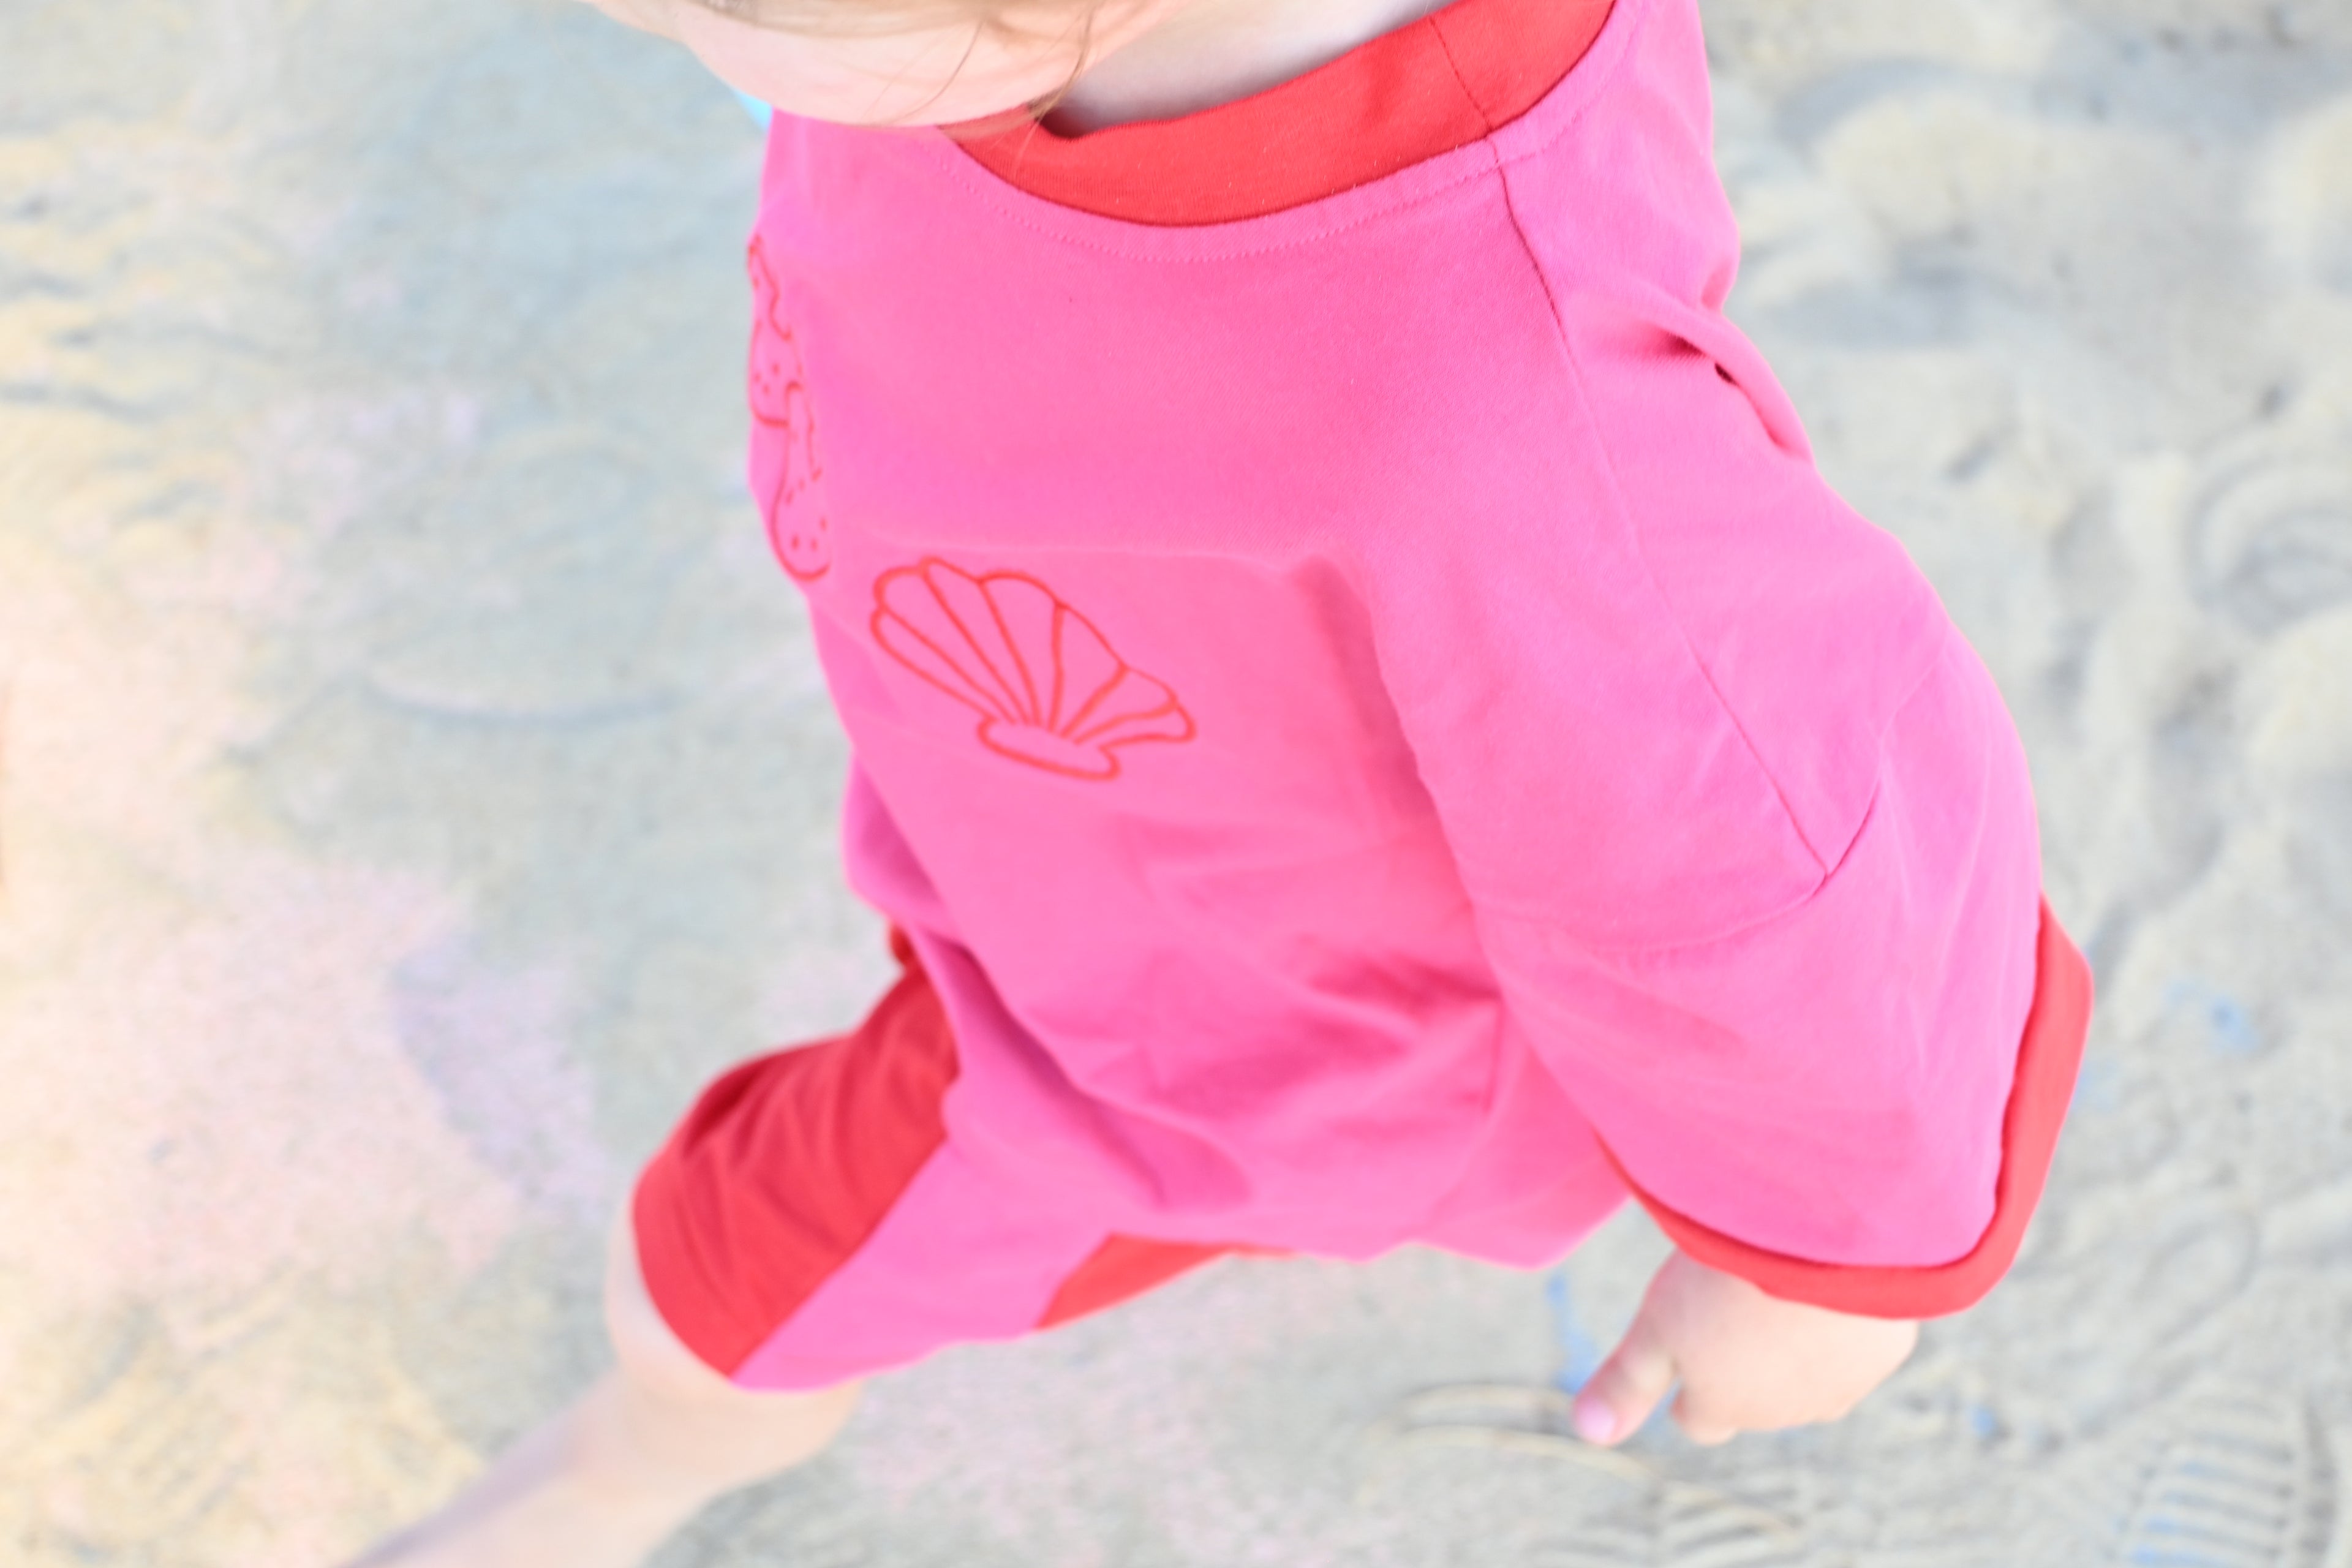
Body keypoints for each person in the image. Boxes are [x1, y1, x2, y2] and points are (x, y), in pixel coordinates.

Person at [349, 0, 2096, 1559]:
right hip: (1102, 796)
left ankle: (622, 1470)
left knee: (720, 1287)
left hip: (1225, 1044)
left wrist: (1817, 1269)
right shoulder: (993, 48)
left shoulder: (1492, 419)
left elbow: (1767, 849)